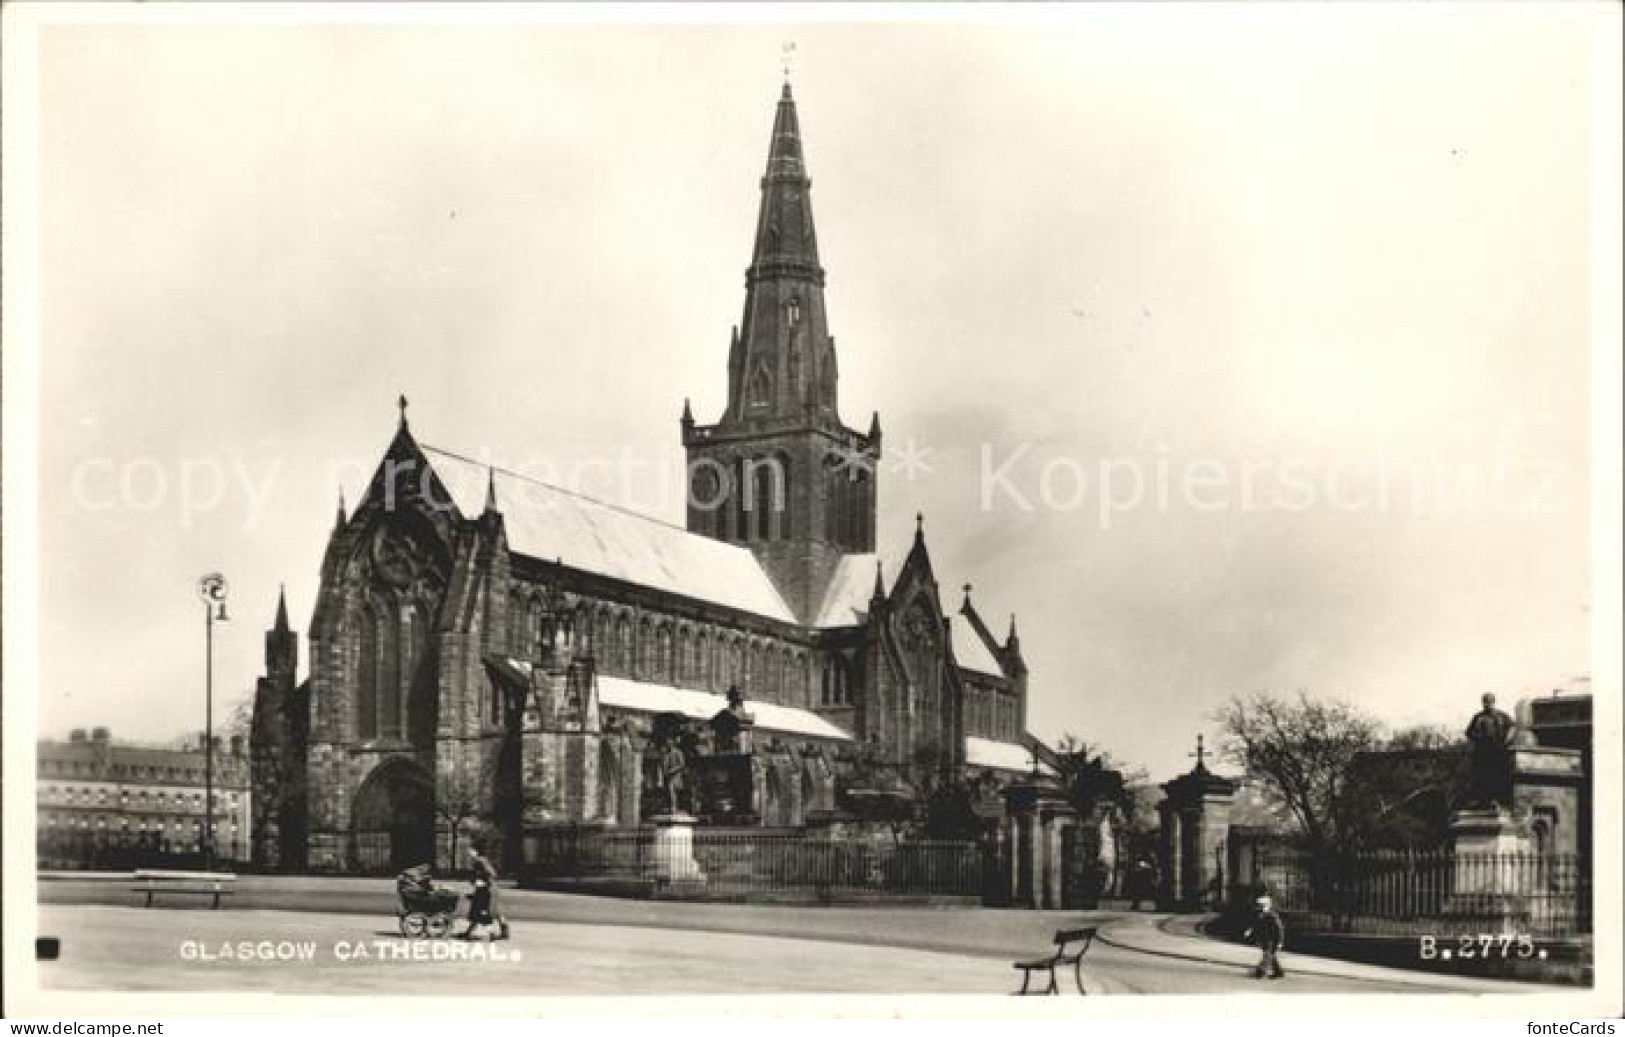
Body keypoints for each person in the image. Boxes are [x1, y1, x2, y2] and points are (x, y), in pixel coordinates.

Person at [460, 844, 510, 941]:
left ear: (476, 851)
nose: (469, 853)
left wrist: (483, 882)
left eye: (471, 851)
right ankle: (503, 932)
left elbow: (492, 873)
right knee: (488, 911)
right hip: (485, 889)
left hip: (487, 889)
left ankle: (490, 934)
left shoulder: (480, 860)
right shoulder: (478, 861)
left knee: (484, 911)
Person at [1243, 894, 1286, 979]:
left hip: (1272, 940)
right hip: (1264, 939)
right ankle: (1278, 972)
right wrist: (1249, 931)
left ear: (1267, 905)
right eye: (1259, 905)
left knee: (1267, 956)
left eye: (1261, 905)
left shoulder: (1273, 916)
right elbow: (1256, 924)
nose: (1259, 907)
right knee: (1270, 956)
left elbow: (1279, 929)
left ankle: (1259, 972)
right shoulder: (1261, 914)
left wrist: (1280, 942)